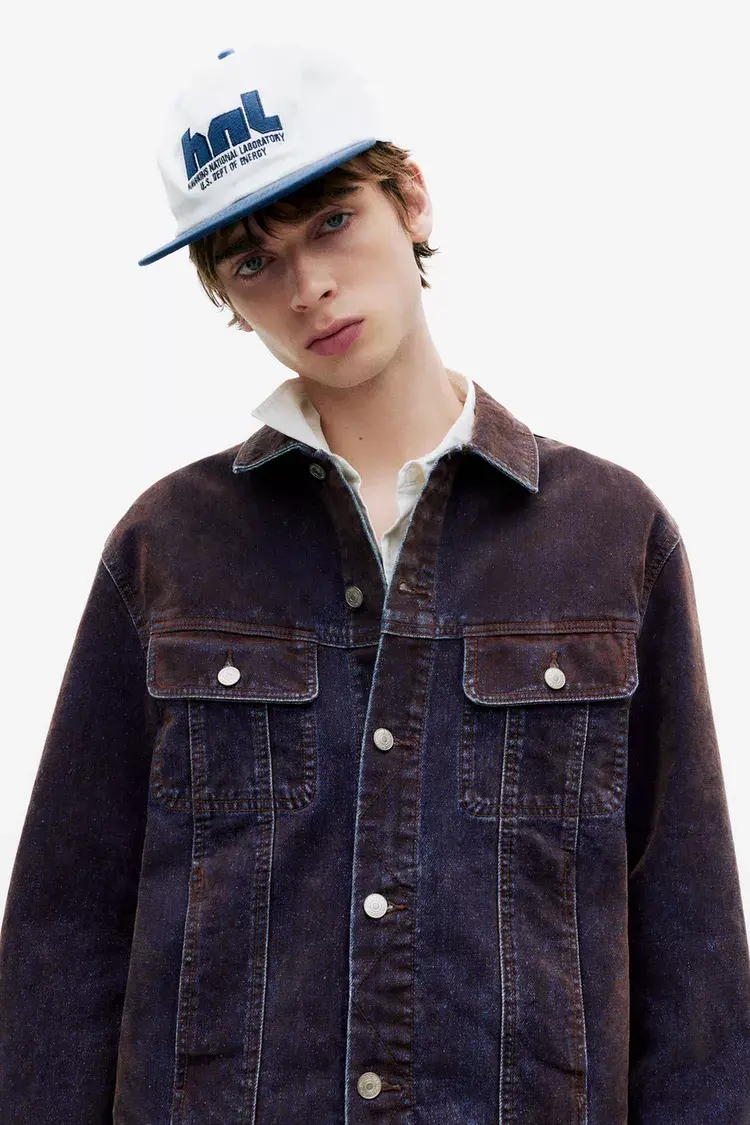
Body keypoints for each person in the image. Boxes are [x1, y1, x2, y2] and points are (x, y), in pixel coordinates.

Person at [1, 41, 748, 1125]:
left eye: (332, 221)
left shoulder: (610, 536)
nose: (308, 286)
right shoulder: (167, 548)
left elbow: (691, 946)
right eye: (252, 263)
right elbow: (65, 935)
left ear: (411, 200)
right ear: (225, 296)